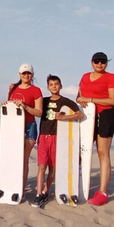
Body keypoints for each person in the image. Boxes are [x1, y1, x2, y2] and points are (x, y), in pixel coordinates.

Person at [31, 75, 83, 208]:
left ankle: (45, 191)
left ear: (61, 86)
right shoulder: (43, 101)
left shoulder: (65, 101)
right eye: (51, 84)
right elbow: (32, 107)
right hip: (43, 137)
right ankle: (38, 194)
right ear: (48, 87)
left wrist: (64, 117)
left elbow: (79, 114)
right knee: (42, 166)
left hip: (57, 137)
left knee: (52, 168)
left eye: (56, 84)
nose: (54, 86)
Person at [77, 52, 114, 206]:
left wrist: (90, 99)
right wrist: (81, 101)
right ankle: (78, 185)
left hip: (106, 115)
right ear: (91, 62)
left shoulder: (111, 77)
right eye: (97, 61)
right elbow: (79, 96)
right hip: (88, 117)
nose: (100, 64)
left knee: (102, 152)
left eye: (103, 62)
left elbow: (113, 100)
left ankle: (103, 191)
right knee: (82, 150)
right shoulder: (85, 77)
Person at [5, 63, 43, 196]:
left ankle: (21, 187)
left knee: (24, 158)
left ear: (32, 75)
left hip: (29, 126)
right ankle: (12, 184)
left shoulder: (36, 90)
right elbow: (10, 106)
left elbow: (39, 112)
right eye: (24, 73)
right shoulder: (13, 88)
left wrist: (25, 106)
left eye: (28, 73)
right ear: (20, 74)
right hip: (15, 126)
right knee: (14, 158)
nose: (26, 75)